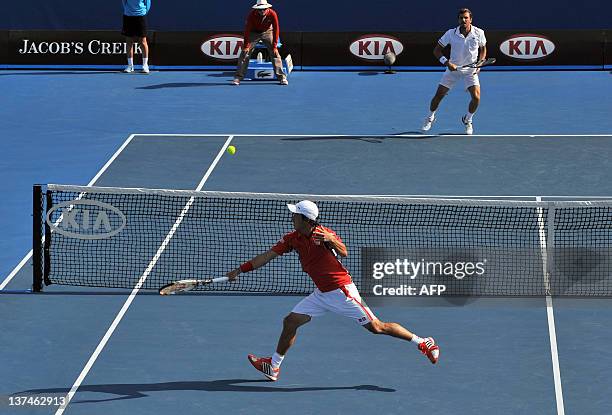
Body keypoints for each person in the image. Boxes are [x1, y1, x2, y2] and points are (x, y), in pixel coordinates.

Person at [226, 200, 439, 381]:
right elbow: (267, 255)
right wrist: (239, 270)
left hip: (342, 292)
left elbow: (344, 252)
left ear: (307, 220)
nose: (292, 218)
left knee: (376, 327)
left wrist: (331, 240)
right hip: (321, 294)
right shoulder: (292, 238)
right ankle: (273, 366)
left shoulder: (323, 234)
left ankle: (423, 342)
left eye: (296, 215)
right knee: (290, 321)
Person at [421, 8, 487, 135]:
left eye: (466, 18)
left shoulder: (479, 33)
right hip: (453, 69)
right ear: (458, 20)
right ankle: (430, 117)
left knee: (476, 98)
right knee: (438, 95)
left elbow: (483, 49)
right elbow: (436, 51)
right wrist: (447, 63)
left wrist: (480, 63)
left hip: (470, 70)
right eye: (461, 18)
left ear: (470, 19)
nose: (463, 20)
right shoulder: (450, 34)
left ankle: (468, 119)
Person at [233, 0, 288, 86]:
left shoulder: (273, 13)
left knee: (275, 53)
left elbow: (276, 29)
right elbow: (247, 30)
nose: (262, 11)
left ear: (267, 8)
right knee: (244, 53)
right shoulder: (251, 15)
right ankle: (238, 77)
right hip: (253, 33)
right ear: (256, 9)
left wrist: (274, 46)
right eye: (260, 9)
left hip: (267, 32)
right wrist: (246, 46)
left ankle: (282, 77)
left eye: (264, 9)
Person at [121, 0, 151, 74]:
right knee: (129, 41)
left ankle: (145, 65)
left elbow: (147, 3)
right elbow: (124, 2)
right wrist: (128, 11)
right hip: (128, 16)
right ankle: (130, 66)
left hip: (140, 16)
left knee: (143, 41)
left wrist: (142, 11)